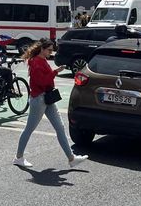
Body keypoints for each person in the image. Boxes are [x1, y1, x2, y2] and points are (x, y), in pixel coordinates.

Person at [14, 39, 88, 169]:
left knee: (60, 127)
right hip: (39, 99)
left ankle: (71, 159)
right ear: (42, 49)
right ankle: (18, 157)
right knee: (29, 129)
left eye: (51, 50)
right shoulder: (37, 62)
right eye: (49, 50)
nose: (51, 52)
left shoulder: (40, 60)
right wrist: (55, 72)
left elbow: (44, 79)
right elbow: (42, 81)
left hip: (46, 98)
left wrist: (54, 72)